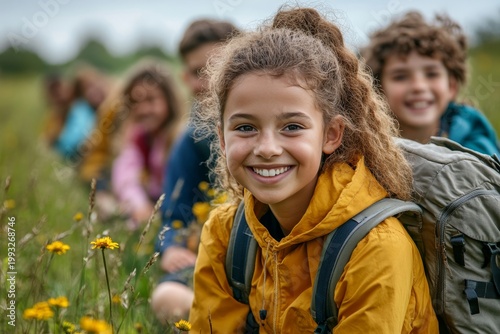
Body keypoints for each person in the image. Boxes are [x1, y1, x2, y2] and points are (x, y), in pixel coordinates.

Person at [188, 6, 438, 333]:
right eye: (246, 128)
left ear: (331, 135)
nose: (266, 149)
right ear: (221, 139)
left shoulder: (376, 247)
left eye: (291, 126)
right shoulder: (225, 233)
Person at [150, 19, 240, 322]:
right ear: (185, 78)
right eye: (198, 72)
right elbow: (174, 214)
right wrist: (172, 246)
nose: (210, 80)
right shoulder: (193, 139)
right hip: (220, 259)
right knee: (168, 298)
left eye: (219, 67)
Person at [360, 11, 500, 156]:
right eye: (400, 77)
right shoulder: (367, 147)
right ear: (378, 90)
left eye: (432, 74)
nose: (418, 86)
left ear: (451, 86)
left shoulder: (477, 145)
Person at [110, 60, 184, 229]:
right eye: (136, 102)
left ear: (169, 100)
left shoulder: (179, 138)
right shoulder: (139, 138)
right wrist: (138, 205)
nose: (143, 109)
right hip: (152, 210)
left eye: (151, 100)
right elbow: (125, 176)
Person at [54, 64, 108, 161]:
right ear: (81, 93)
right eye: (88, 88)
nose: (94, 90)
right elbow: (70, 143)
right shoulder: (81, 110)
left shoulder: (112, 102)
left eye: (95, 83)